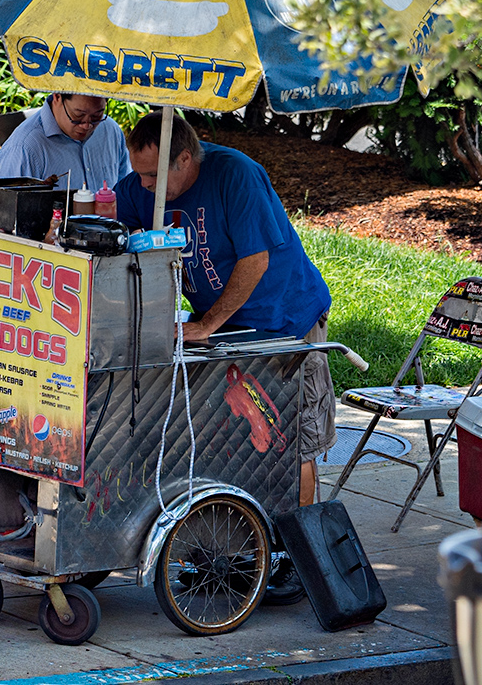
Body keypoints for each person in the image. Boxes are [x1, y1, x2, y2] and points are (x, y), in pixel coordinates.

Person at [114, 113, 336, 505]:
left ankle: (297, 547)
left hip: (284, 319)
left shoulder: (237, 174)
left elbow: (255, 261)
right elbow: (118, 247)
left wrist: (207, 324)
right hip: (224, 329)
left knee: (294, 442)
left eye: (153, 176)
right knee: (233, 438)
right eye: (140, 174)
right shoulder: (137, 188)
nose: (145, 185)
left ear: (184, 159)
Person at [0, 93, 130, 192]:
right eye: (78, 116)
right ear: (57, 97)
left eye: (96, 116)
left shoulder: (111, 130)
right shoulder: (24, 149)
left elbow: (126, 191)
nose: (86, 125)